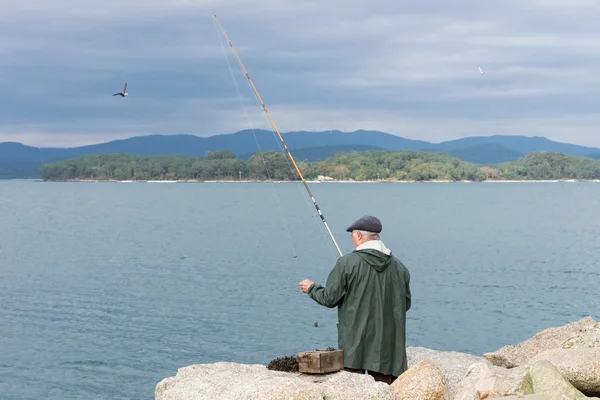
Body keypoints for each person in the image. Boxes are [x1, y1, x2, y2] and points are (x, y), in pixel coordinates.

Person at [299, 215, 411, 384]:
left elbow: (329, 298)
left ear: (358, 236)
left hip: (354, 350)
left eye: (352, 235)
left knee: (353, 391)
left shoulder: (346, 263)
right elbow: (405, 304)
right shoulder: (400, 268)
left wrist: (311, 288)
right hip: (388, 352)